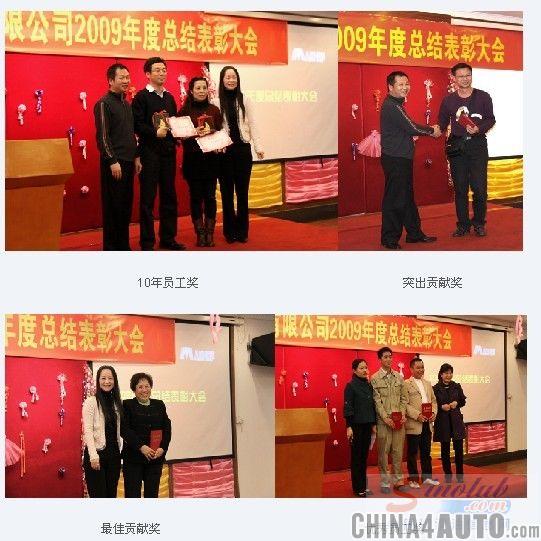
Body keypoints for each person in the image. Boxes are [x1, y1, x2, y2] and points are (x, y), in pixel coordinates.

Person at [380, 71, 440, 249]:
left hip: (401, 158)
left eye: (407, 84)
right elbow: (411, 127)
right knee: (395, 199)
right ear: (390, 87)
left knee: (406, 197)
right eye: (400, 84)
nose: (405, 87)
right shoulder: (392, 106)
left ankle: (414, 233)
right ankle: (389, 239)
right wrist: (432, 130)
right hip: (396, 159)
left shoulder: (396, 104)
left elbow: (407, 128)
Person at [132, 57, 185, 251]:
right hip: (149, 153)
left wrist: (182, 132)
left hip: (168, 153)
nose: (162, 73)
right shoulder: (141, 97)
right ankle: (147, 242)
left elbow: (173, 123)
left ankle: (168, 238)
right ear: (148, 74)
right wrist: (155, 133)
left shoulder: (169, 97)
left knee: (169, 196)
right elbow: (136, 125)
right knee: (148, 199)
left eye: (164, 70)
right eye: (157, 70)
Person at [437, 62, 496, 238]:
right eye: (461, 76)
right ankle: (462, 225)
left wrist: (479, 128)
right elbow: (441, 123)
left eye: (468, 75)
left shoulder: (483, 96)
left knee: (479, 189)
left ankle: (479, 223)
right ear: (454, 78)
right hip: (457, 148)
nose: (465, 79)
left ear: (471, 75)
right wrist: (430, 131)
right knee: (460, 189)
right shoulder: (448, 100)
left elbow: (491, 119)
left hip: (477, 146)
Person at [211, 66, 264, 243]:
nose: (231, 80)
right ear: (222, 80)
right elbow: (215, 128)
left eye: (234, 77)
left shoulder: (245, 99)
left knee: (242, 193)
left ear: (238, 79)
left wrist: (258, 147)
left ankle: (242, 231)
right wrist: (216, 145)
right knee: (226, 193)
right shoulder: (216, 102)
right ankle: (229, 232)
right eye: (228, 77)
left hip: (242, 151)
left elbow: (253, 123)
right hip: (225, 152)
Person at [94, 63, 141, 251]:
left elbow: (131, 134)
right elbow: (103, 137)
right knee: (113, 207)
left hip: (129, 162)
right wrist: (112, 160)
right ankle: (112, 248)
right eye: (122, 77)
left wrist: (136, 157)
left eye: (127, 77)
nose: (126, 81)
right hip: (114, 163)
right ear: (111, 80)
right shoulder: (103, 103)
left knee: (125, 206)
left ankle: (123, 246)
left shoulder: (126, 104)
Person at [178, 77, 223, 247]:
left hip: (211, 160)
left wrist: (219, 144)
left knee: (210, 197)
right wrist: (193, 132)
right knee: (196, 197)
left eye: (204, 87)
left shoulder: (214, 110)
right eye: (198, 88)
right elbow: (179, 136)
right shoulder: (184, 111)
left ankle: (210, 233)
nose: (202, 91)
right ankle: (200, 233)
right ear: (191, 91)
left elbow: (220, 133)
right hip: (193, 160)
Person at [121, 372, 171, 498]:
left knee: (152, 495)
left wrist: (162, 448)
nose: (144, 390)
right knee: (132, 495)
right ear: (134, 389)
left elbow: (167, 428)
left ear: (151, 387)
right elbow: (124, 430)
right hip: (133, 459)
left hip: (155, 458)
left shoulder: (159, 404)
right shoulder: (127, 405)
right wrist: (141, 447)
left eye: (147, 386)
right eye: (140, 387)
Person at [371, 346, 408, 493]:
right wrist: (386, 418)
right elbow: (377, 401)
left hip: (399, 422)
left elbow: (404, 398)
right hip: (384, 422)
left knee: (398, 452)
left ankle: (398, 480)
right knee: (383, 453)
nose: (388, 359)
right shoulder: (374, 378)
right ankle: (385, 483)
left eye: (390, 356)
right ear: (380, 359)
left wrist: (402, 414)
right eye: (385, 357)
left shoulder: (399, 377)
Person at [82, 365, 123, 497]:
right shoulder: (91, 402)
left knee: (111, 496)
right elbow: (87, 430)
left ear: (114, 381)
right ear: (98, 380)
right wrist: (93, 456)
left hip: (114, 456)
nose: (107, 381)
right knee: (99, 497)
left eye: (110, 378)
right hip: (97, 456)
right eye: (103, 378)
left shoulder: (117, 402)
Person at [343, 359, 377, 497]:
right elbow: (348, 407)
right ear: (354, 370)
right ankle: (358, 488)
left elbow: (372, 406)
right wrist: (349, 426)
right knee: (357, 458)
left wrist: (374, 424)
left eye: (366, 367)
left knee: (364, 457)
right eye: (361, 368)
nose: (365, 370)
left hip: (368, 425)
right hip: (356, 426)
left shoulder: (368, 385)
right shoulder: (350, 386)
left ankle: (363, 486)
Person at [404, 356, 439, 488]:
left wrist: (434, 413)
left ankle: (427, 478)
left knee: (426, 452)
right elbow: (404, 404)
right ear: (411, 369)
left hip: (427, 423)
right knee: (412, 453)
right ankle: (413, 479)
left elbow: (434, 401)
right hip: (414, 423)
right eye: (418, 367)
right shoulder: (406, 384)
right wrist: (417, 415)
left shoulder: (428, 383)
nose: (421, 370)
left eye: (422, 367)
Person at [433, 363, 467, 483]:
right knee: (445, 451)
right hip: (443, 422)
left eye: (450, 373)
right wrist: (441, 407)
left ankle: (460, 476)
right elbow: (433, 404)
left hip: (456, 421)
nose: (448, 375)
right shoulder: (435, 388)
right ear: (441, 374)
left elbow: (463, 401)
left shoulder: (456, 386)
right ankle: (448, 475)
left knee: (459, 450)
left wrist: (457, 403)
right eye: (446, 373)